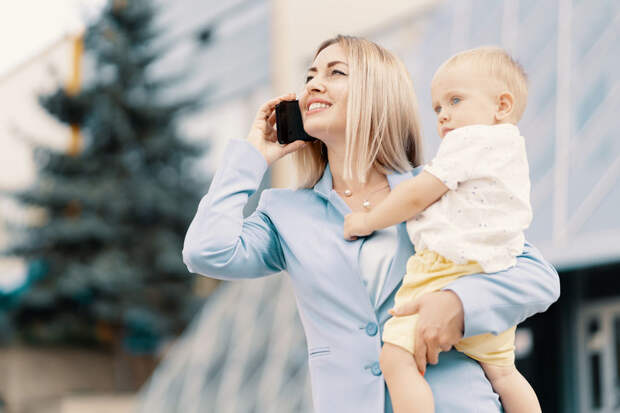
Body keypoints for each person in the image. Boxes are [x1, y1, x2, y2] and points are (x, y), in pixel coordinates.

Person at [182, 35, 559, 413]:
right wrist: (252, 156)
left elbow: (538, 277)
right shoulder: (285, 212)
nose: (314, 84)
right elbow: (206, 251)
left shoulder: (435, 186)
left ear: (377, 93)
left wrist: (457, 303)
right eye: (310, 76)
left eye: (336, 73)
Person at [344, 47, 541, 413]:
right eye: (437, 108)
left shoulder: (468, 141)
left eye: (455, 100)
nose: (444, 115)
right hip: (493, 271)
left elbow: (417, 194)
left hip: (445, 271)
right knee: (504, 374)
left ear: (502, 106)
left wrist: (368, 220)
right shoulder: (511, 149)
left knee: (395, 358)